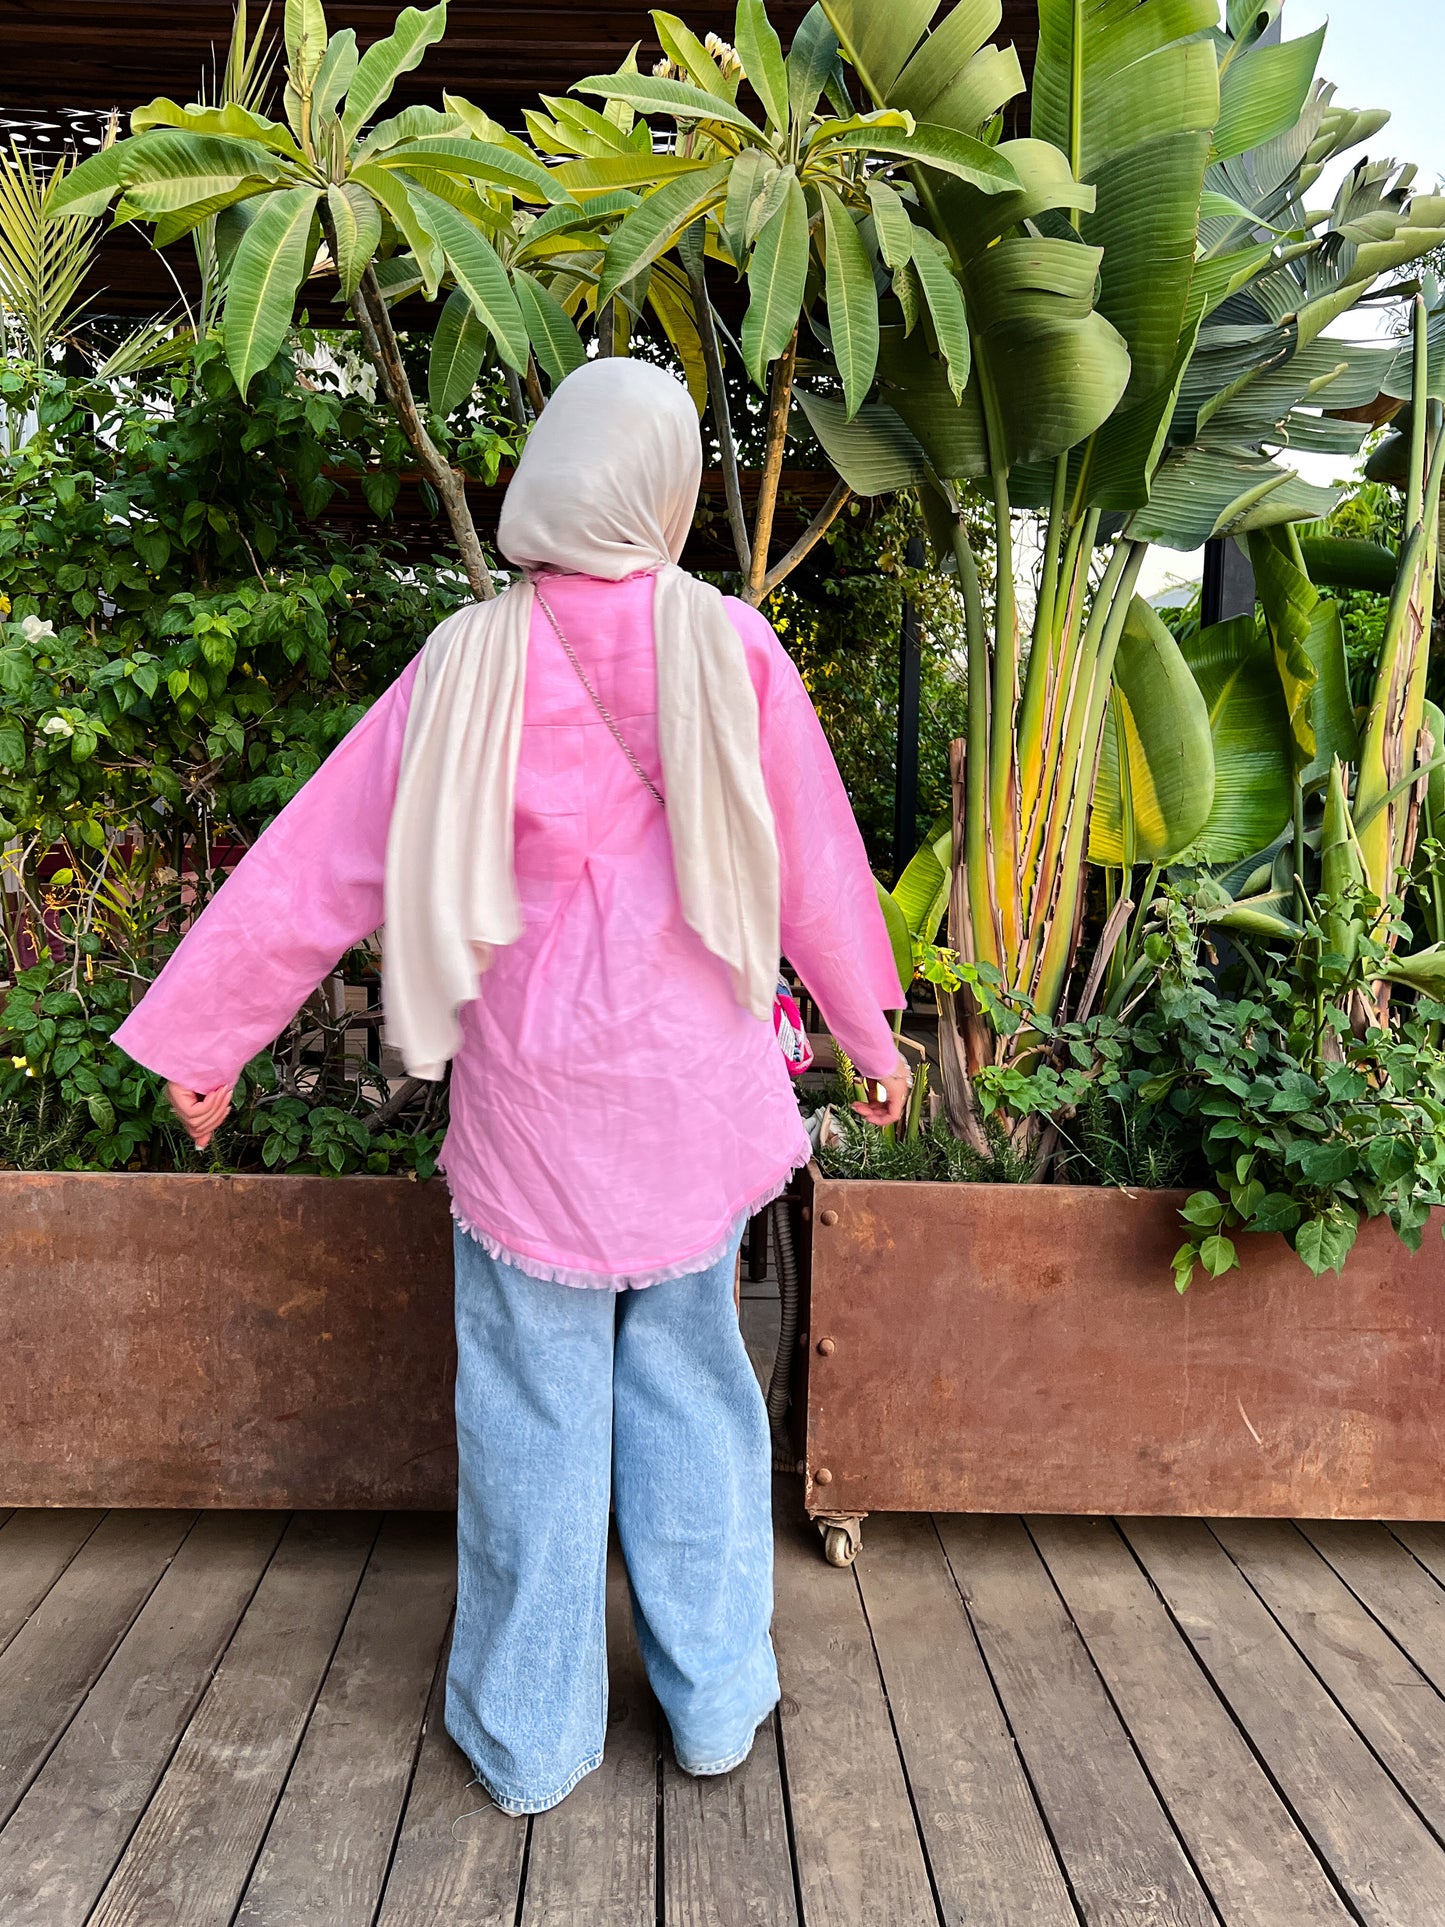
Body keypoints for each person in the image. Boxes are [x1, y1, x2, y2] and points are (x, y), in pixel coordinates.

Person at [114, 357, 909, 1815]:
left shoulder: (465, 659)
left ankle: (530, 1736)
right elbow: (815, 868)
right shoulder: (728, 648)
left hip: (533, 1110)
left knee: (532, 1423)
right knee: (694, 1399)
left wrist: (202, 1040)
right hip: (687, 1106)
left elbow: (315, 864)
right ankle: (715, 1705)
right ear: (658, 485)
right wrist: (867, 1035)